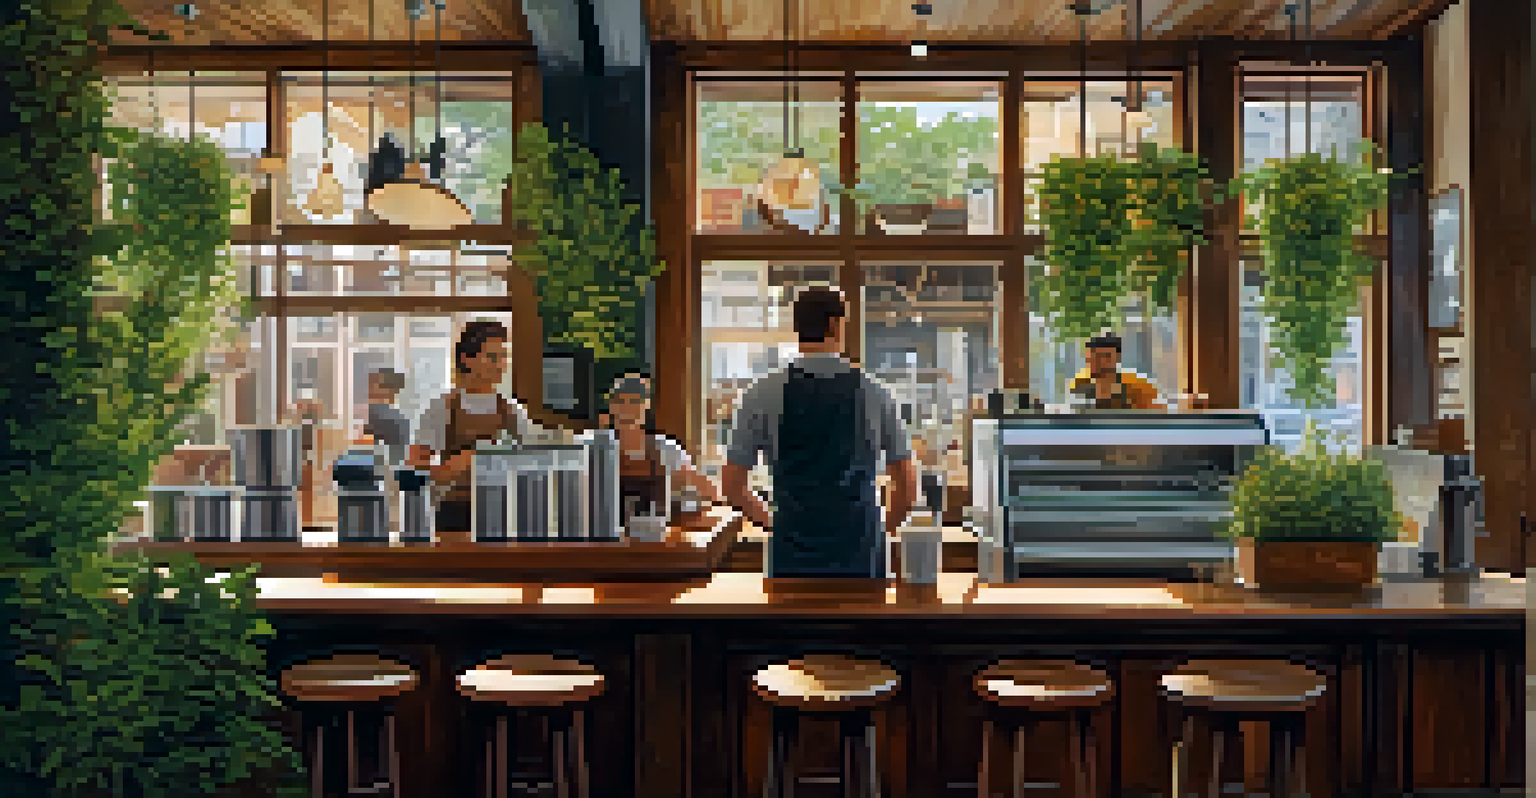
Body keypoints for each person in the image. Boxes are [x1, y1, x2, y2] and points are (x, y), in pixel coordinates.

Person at [722, 287, 918, 578]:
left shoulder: (759, 394)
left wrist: (777, 526)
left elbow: (732, 486)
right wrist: (877, 534)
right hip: (860, 556)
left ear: (796, 326)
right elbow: (907, 487)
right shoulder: (877, 394)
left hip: (791, 556)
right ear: (835, 325)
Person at [408, 320, 550, 534]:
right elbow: (414, 468)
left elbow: (533, 465)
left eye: (504, 357)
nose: (501, 364)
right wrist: (454, 466)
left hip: (504, 514)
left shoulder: (513, 411)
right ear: (467, 359)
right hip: (453, 515)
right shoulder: (442, 407)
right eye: (492, 357)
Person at [597, 374, 722, 521]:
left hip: (654, 538)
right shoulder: (596, 446)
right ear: (611, 405)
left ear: (646, 405)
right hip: (606, 539)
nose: (627, 408)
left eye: (635, 401)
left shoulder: (666, 450)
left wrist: (680, 498)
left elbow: (711, 493)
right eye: (620, 401)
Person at [1066, 332, 1166, 410]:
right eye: (1093, 356)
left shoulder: (1137, 386)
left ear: (1117, 358)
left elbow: (1157, 412)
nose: (1099, 362)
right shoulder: (1080, 384)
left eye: (1106, 356)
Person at [363, 368, 411, 465]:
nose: (368, 388)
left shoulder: (396, 420)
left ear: (390, 391)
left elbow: (395, 460)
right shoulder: (365, 413)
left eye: (374, 384)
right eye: (369, 384)